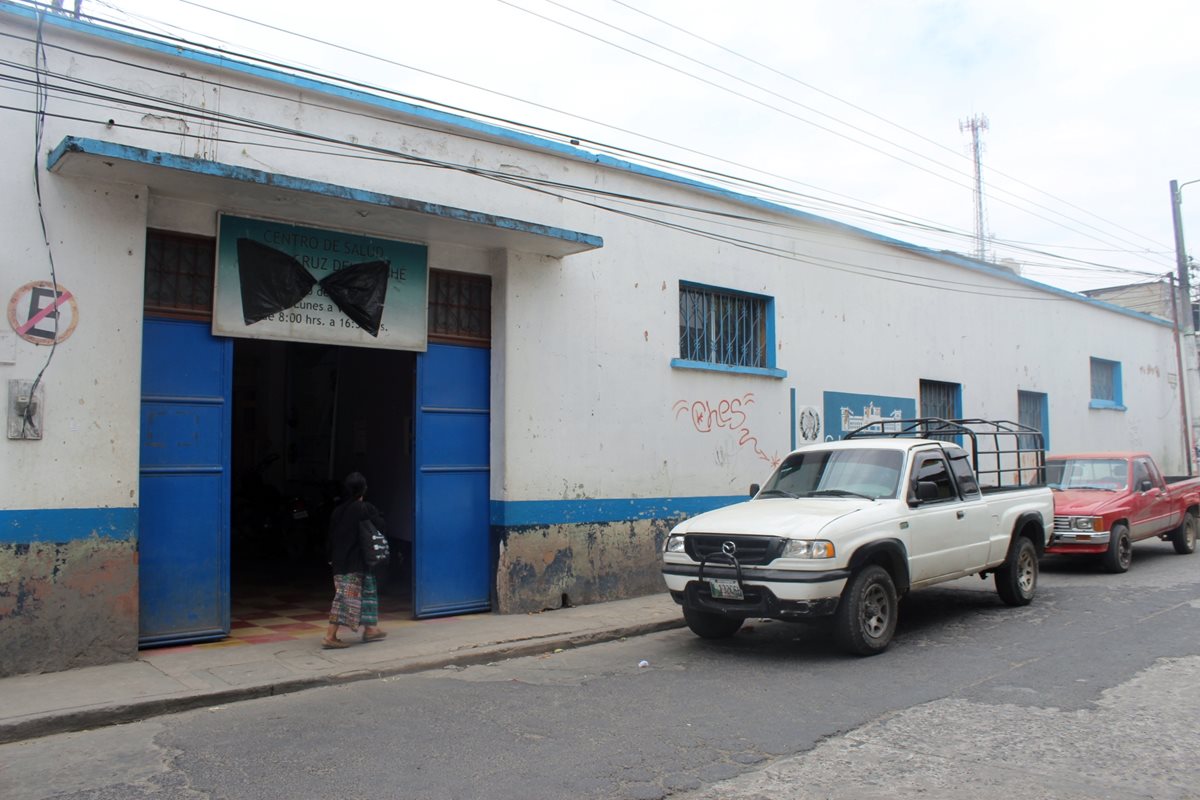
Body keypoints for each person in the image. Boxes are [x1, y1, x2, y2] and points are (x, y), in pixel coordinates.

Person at [323, 471, 388, 649]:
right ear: (364, 489)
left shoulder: (337, 511)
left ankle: (370, 629)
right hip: (353, 563)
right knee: (344, 599)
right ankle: (330, 636)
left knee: (368, 593)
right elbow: (380, 526)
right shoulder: (364, 508)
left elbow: (330, 537)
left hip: (340, 562)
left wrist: (330, 558)